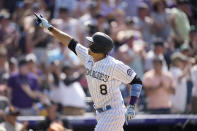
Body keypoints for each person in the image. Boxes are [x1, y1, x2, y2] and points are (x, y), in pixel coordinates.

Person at [34, 13, 143, 130]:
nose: (89, 44)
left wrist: (131, 105)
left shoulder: (113, 65)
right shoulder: (88, 56)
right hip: (101, 112)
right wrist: (50, 27)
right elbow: (70, 42)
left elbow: (136, 81)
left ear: (98, 48)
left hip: (113, 111)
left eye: (92, 43)